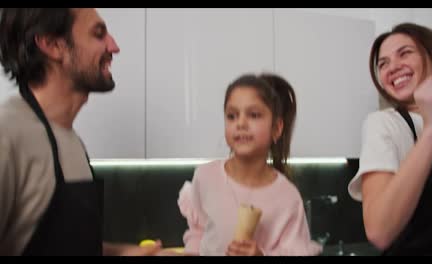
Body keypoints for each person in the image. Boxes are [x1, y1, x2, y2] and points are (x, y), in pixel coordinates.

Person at [0, 8, 161, 256]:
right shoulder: (7, 134)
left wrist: (123, 253)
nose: (114, 46)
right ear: (52, 45)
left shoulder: (71, 140)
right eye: (99, 35)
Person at [348, 22, 432, 255]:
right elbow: (379, 231)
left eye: (405, 53)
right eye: (383, 64)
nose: (392, 67)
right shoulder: (385, 124)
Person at [175, 73, 322, 256]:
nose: (241, 123)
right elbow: (198, 232)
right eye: (232, 116)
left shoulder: (287, 197)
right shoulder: (205, 177)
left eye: (253, 115)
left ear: (276, 128)